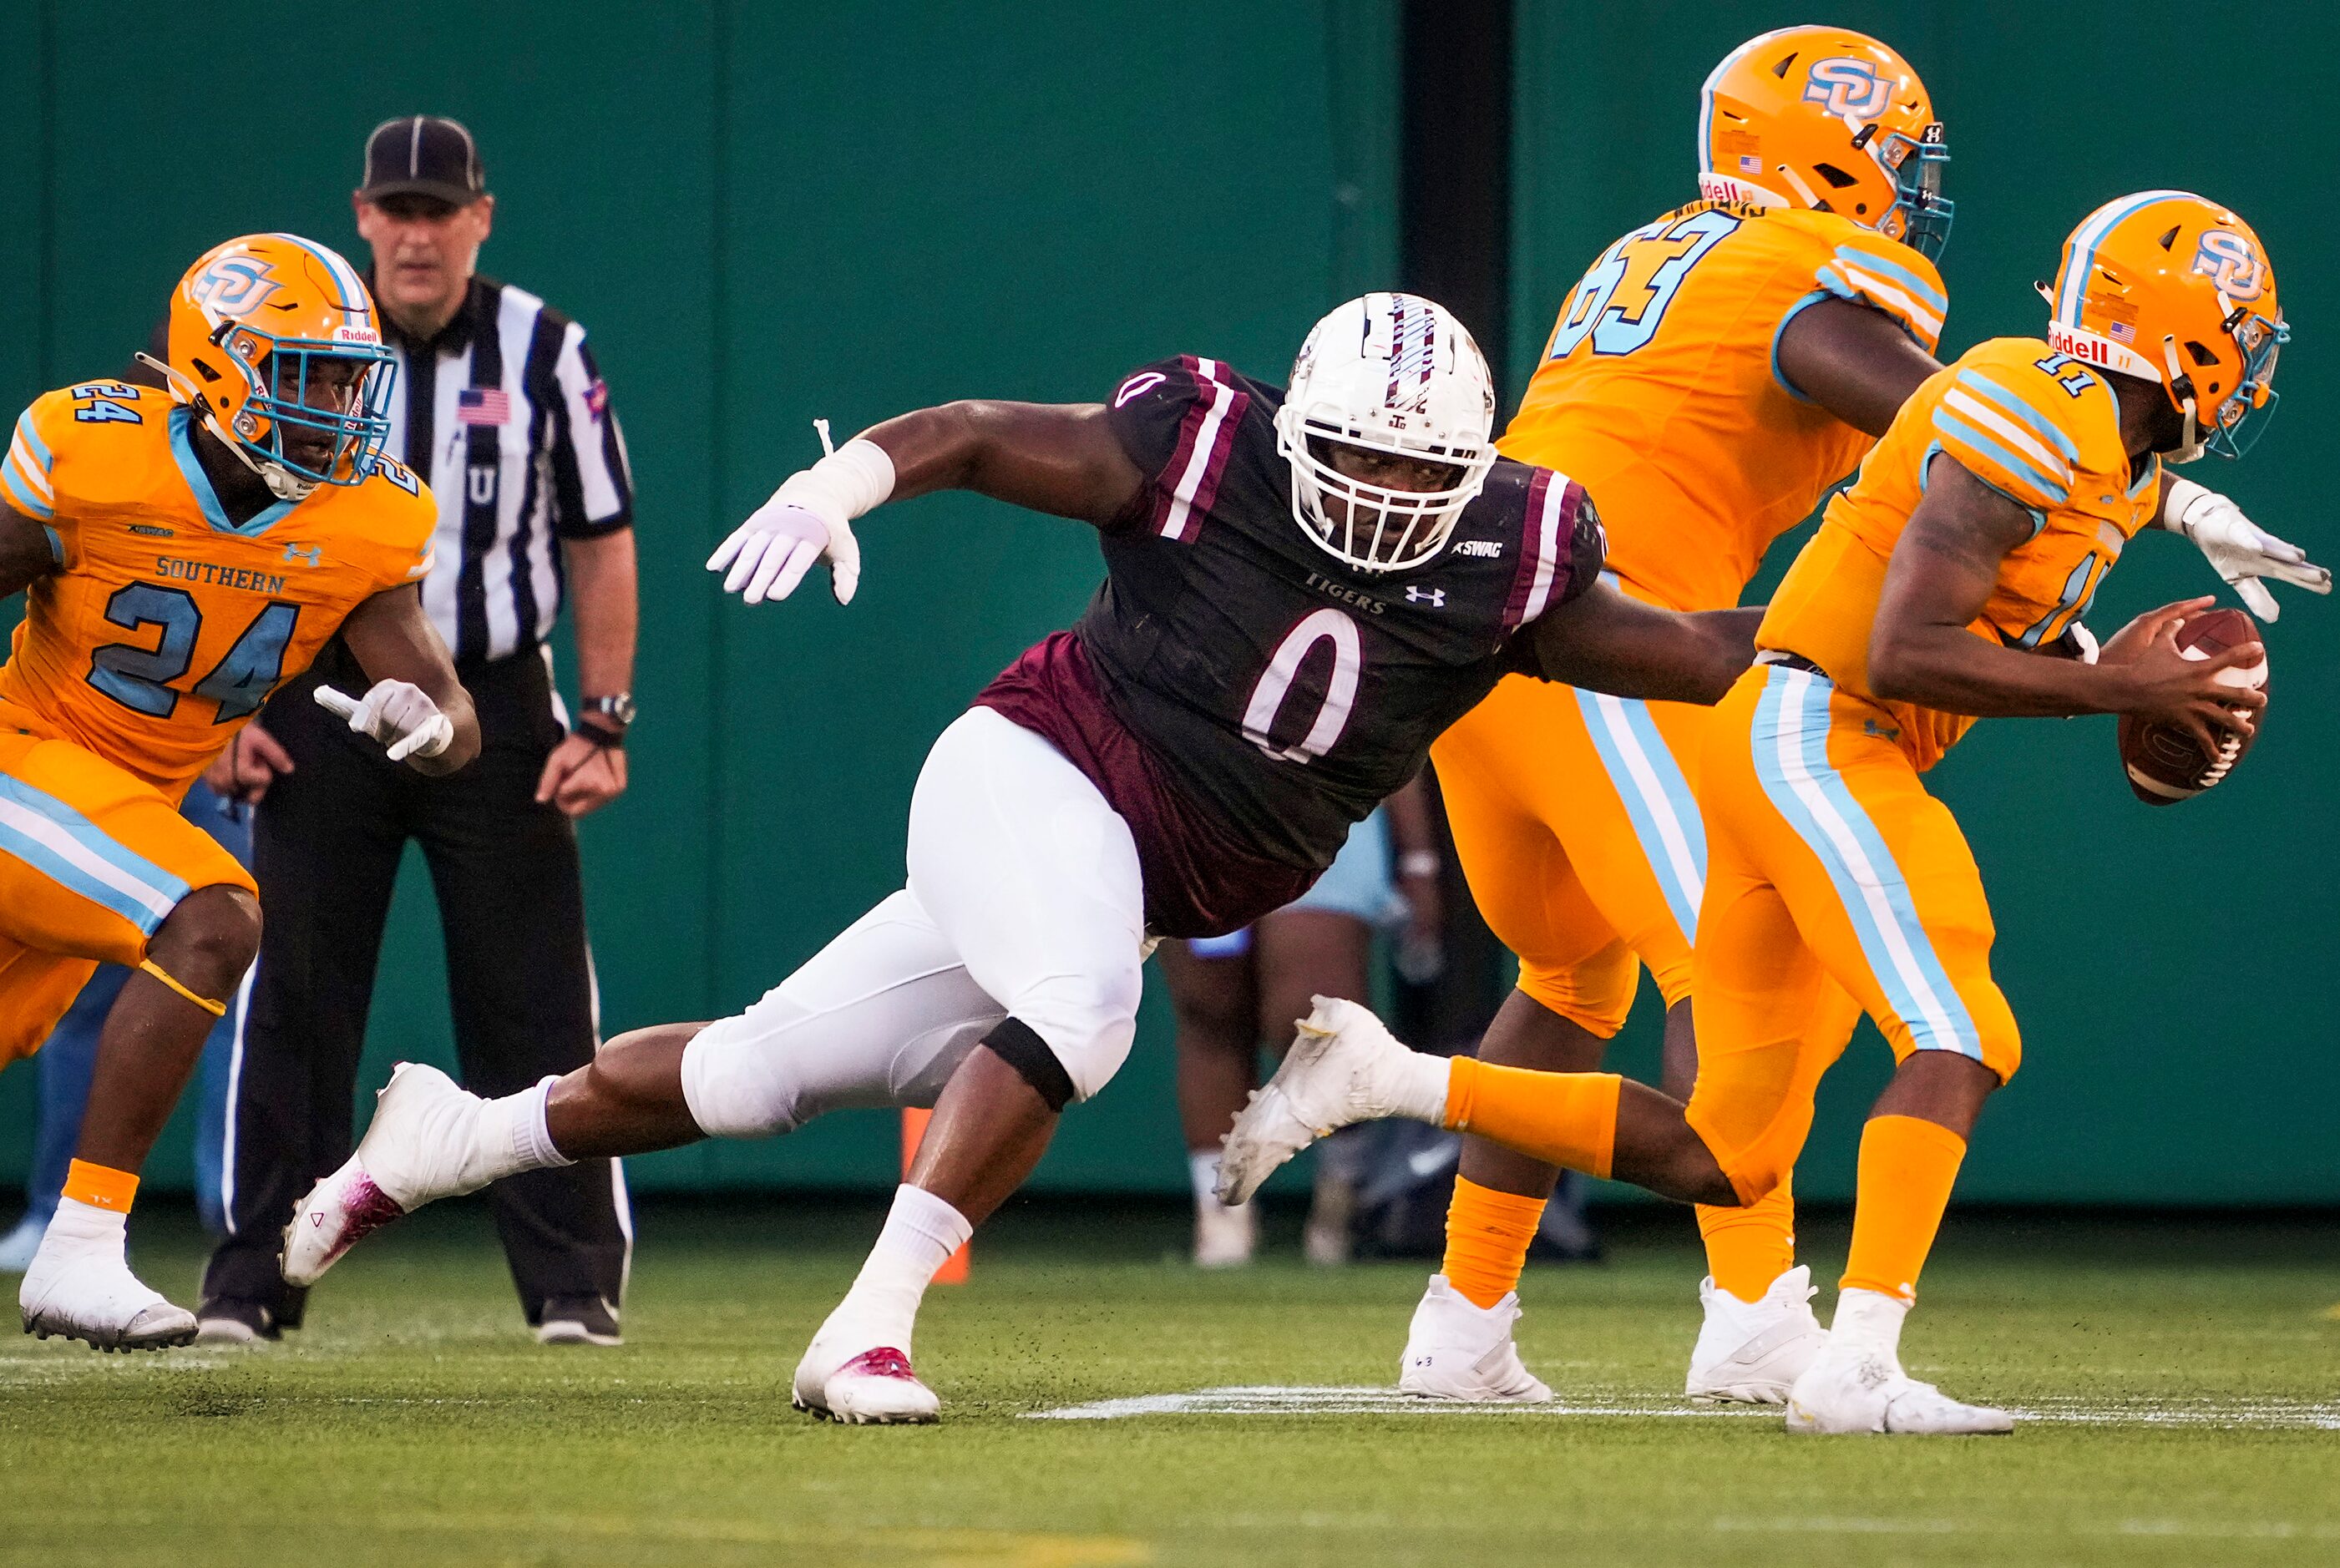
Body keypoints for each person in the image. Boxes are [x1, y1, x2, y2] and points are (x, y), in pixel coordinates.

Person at [278, 291, 1762, 1424]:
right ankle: (867, 1323)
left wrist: (1890, 640)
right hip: (1034, 773)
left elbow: (1697, 655)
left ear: (1468, 466)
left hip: (1133, 869)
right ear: (1297, 423)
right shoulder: (1204, 445)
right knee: (1080, 1005)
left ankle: (455, 1137)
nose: (1376, 491)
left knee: (752, 1074)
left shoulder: (1507, 553)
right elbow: (983, 433)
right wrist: (841, 483)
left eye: (1408, 465)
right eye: (1352, 453)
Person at [1218, 193, 2308, 1436]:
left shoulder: (2077, 446)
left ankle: (1398, 1107)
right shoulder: (1944, 350)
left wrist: (2150, 552)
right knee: (1955, 1026)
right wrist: (2121, 681)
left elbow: (1983, 510)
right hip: (1686, 671)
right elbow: (1911, 583)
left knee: (1706, 1127)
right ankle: (1791, 1336)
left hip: (1571, 647)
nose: (1904, 195)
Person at [1404, 25, 1951, 1404]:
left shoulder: (1653, 250)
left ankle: (1460, 1323)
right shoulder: (1798, 271)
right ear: (1823, 153)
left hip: (1486, 647)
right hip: (1600, 639)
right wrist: (2118, 486)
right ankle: (1752, 1302)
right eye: (1893, 160)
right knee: (1741, 942)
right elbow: (1949, 426)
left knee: (1568, 981)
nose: (1909, 189)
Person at [195, 117, 640, 1348]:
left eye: (440, 210)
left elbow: (601, 537)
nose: (417, 232)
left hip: (492, 694)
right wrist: (223, 714)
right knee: (291, 988)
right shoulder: (295, 348)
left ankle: (570, 1282)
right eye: (397, 209)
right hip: (316, 693)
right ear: (361, 216)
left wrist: (602, 717)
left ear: (479, 219)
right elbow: (217, 533)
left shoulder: (547, 348)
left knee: (535, 998)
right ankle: (251, 1279)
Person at [1, 233, 479, 1351]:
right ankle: (78, 1254)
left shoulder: (361, 515)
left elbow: (457, 721)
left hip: (118, 818)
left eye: (346, 379)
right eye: (304, 374)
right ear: (215, 365)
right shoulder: (99, 459)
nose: (334, 406)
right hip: (28, 762)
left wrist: (424, 722)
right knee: (214, 916)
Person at [1165, 781, 1439, 1267]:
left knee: (1311, 1021)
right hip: (1195, 805)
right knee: (1212, 1013)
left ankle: (1342, 1199)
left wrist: (1419, 857)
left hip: (1322, 800)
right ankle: (1222, 1217)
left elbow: (1398, 715)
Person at [0, 779, 251, 1270]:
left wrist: (239, 728)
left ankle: (241, 1225)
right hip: (113, 762)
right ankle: (64, 1216)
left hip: (214, 758)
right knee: (82, 991)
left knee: (225, 961)